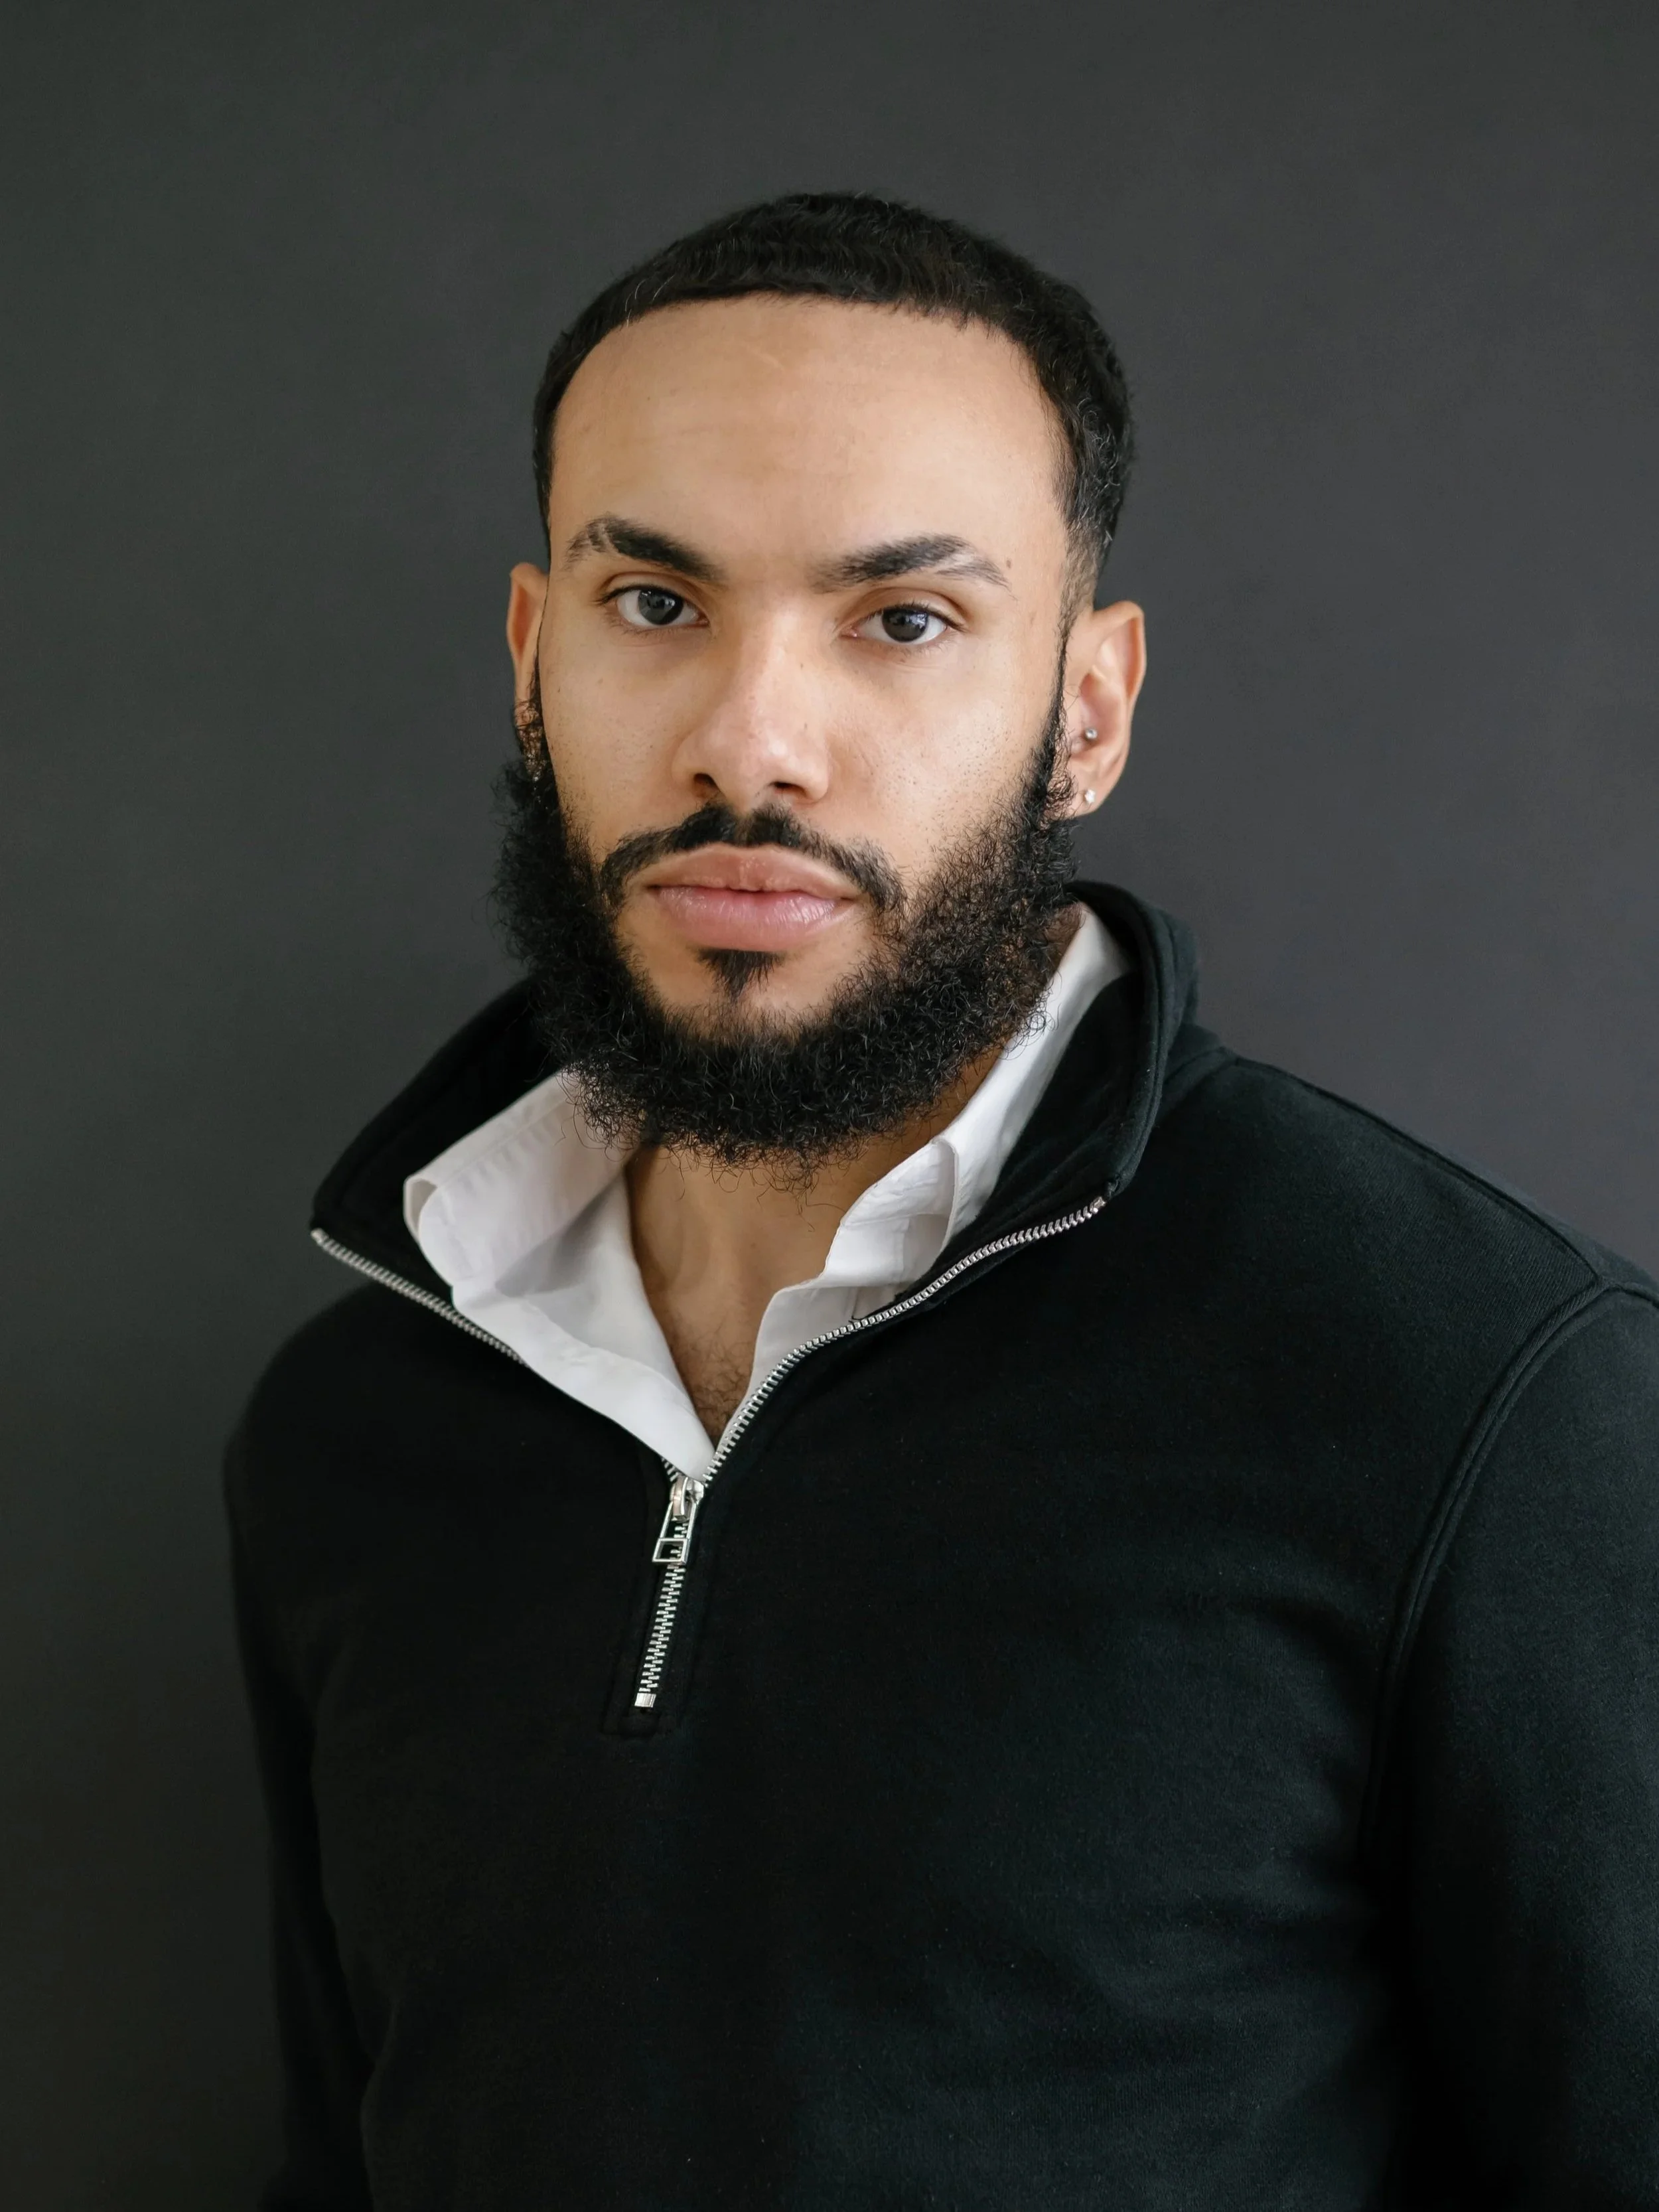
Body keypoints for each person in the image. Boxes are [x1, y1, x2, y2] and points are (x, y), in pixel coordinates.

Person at [226, 192, 1659, 2210]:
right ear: (535, 659)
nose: (750, 741)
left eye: (901, 620)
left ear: (1086, 704)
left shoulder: (1474, 1397)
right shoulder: (344, 1439)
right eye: (657, 605)